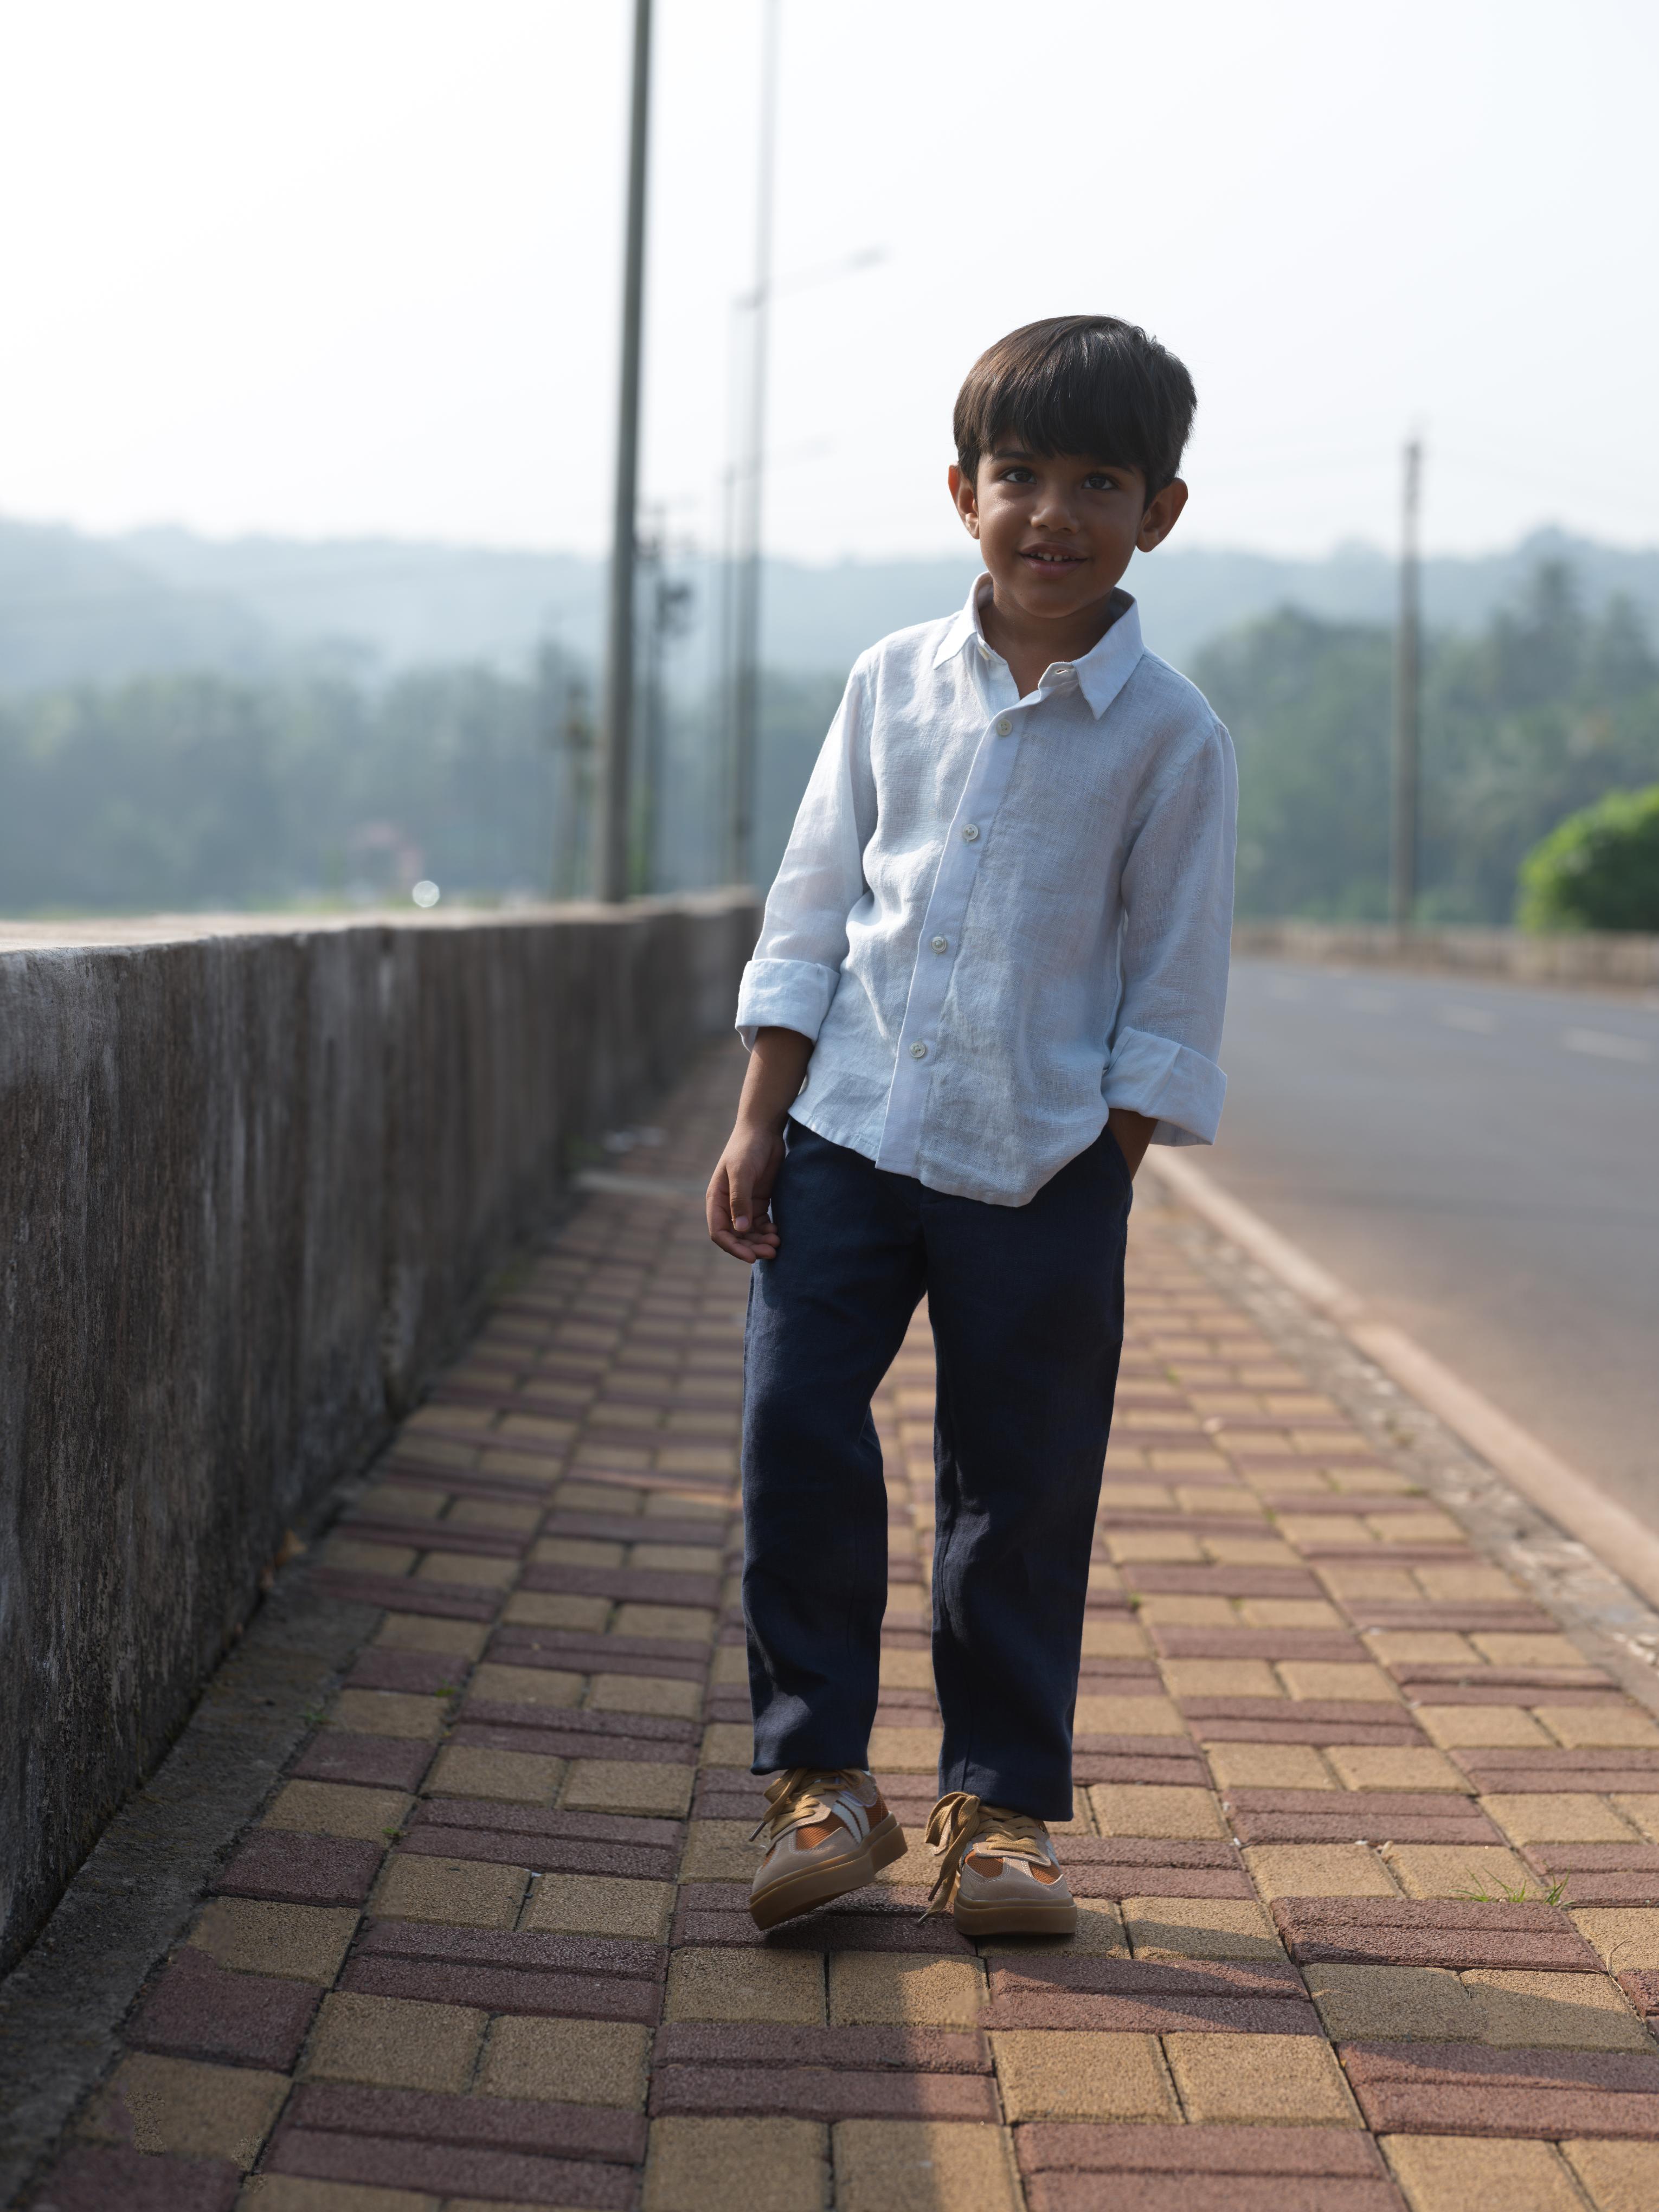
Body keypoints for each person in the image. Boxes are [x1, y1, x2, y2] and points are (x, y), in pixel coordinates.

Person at [705, 314, 1237, 1937]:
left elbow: (1171, 986)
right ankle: (820, 1784)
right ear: (964, 492)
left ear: (1158, 511)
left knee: (1021, 1487)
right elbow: (811, 909)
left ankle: (999, 1816)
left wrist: (1100, 1171)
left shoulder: (1172, 737)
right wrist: (759, 1120)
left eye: (1099, 483)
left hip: (1045, 1166)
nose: (1052, 514)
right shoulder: (889, 684)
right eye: (1019, 476)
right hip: (847, 1136)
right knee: (796, 1433)